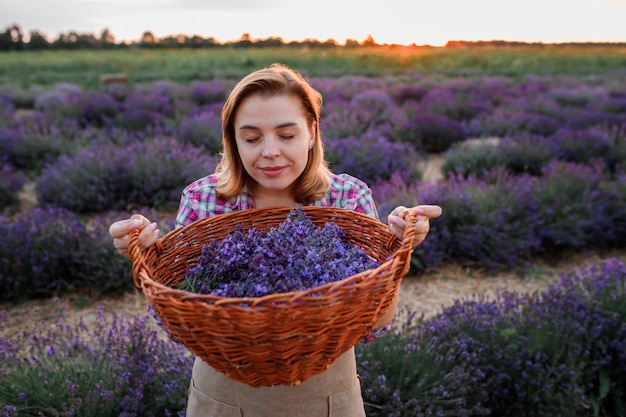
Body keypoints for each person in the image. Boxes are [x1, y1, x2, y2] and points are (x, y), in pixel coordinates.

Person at [109, 62, 442, 417]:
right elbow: (176, 323)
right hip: (223, 397)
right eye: (251, 138)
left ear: (312, 131)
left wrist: (394, 253)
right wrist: (149, 257)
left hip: (327, 397)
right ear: (233, 140)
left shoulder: (346, 198)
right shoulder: (204, 200)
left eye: (287, 135)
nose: (269, 151)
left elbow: (375, 324)